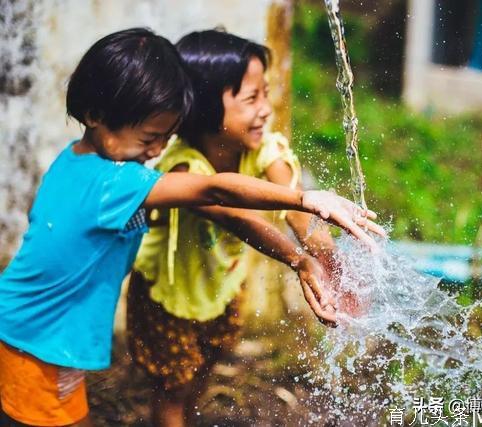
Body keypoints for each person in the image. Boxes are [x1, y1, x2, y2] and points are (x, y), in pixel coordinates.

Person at [0, 27, 381, 427]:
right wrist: (305, 199)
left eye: (164, 138)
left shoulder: (78, 161)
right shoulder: (114, 182)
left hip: (32, 327)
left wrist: (310, 249)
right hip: (38, 337)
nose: (155, 152)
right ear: (95, 116)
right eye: (149, 137)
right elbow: (215, 190)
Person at [126, 29, 372, 427]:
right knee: (172, 387)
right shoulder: (184, 166)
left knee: (205, 367)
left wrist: (328, 258)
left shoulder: (262, 148)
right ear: (206, 107)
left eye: (266, 94)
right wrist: (297, 259)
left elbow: (296, 207)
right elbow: (238, 217)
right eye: (251, 98)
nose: (265, 109)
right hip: (168, 295)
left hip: (223, 285)